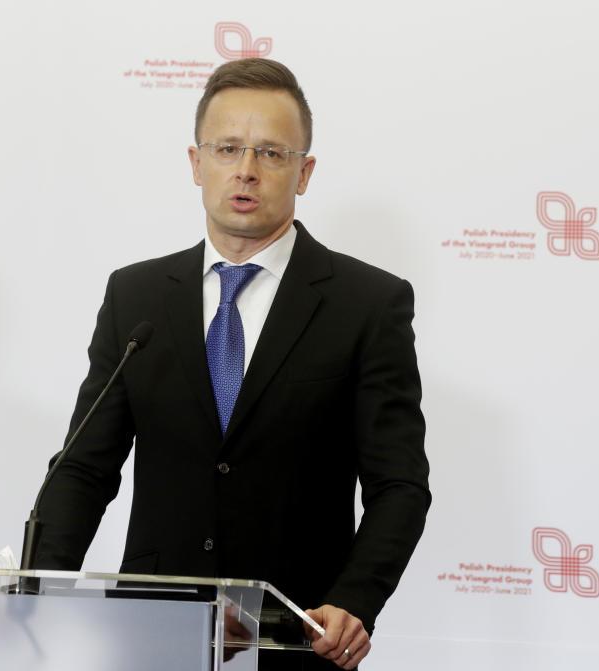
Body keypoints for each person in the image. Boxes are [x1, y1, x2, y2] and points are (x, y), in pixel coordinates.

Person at [34, 58, 430, 670]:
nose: (246, 170)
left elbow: (399, 484)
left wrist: (355, 600)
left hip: (297, 636)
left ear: (305, 172)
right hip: (153, 633)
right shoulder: (136, 297)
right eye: (228, 149)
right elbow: (86, 467)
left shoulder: (367, 304)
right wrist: (33, 590)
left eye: (272, 153)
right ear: (196, 164)